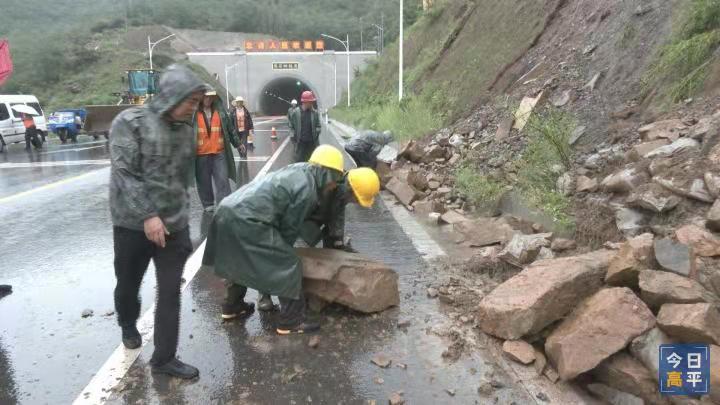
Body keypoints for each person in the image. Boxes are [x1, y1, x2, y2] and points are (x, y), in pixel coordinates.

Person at [202, 145, 381, 334]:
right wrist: (274, 268)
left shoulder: (303, 171)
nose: (334, 185)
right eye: (334, 180)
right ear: (328, 175)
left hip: (228, 210)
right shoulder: (308, 191)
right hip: (248, 218)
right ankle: (291, 321)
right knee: (287, 263)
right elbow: (287, 232)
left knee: (238, 259)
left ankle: (232, 308)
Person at [109, 64, 208, 380]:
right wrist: (148, 215)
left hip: (174, 226)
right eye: (190, 101)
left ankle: (164, 359)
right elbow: (125, 173)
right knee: (128, 284)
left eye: (196, 102)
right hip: (132, 225)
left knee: (170, 292)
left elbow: (182, 181)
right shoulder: (130, 122)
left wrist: (183, 223)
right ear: (171, 95)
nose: (194, 108)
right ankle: (127, 321)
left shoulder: (186, 131)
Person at [193, 90, 238, 212]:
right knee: (204, 180)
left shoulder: (220, 112)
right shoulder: (193, 113)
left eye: (211, 97)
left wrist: (238, 144)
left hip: (219, 151)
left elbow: (230, 129)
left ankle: (225, 203)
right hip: (201, 153)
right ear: (201, 97)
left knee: (222, 178)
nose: (208, 99)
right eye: (206, 97)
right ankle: (208, 203)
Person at [288, 91, 321, 163]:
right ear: (305, 102)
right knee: (298, 163)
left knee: (312, 163)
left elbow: (318, 125)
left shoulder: (314, 113)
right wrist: (292, 135)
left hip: (312, 144)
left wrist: (317, 131)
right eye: (310, 101)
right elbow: (291, 126)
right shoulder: (296, 113)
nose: (312, 103)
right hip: (300, 144)